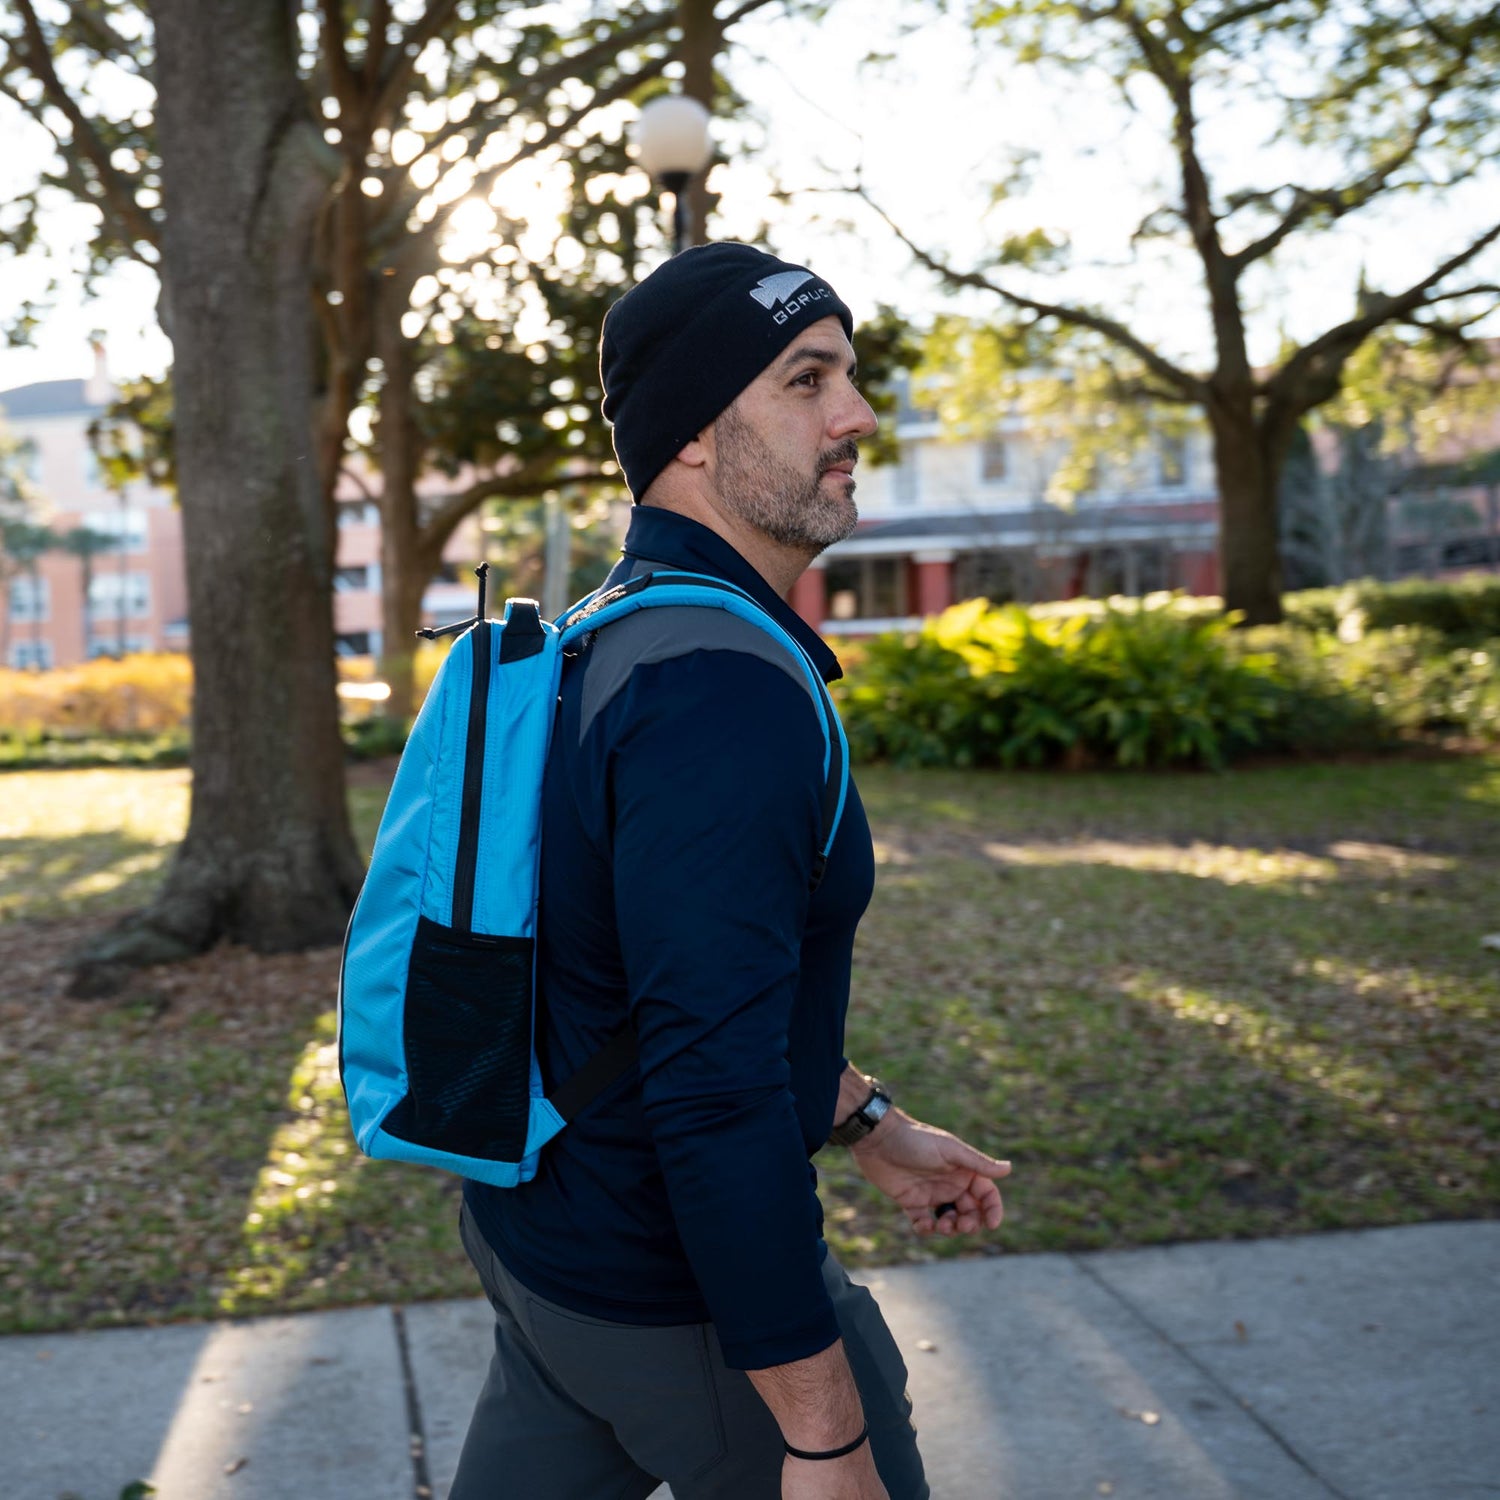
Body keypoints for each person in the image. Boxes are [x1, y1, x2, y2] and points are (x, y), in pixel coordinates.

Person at [451, 243, 1011, 1500]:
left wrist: (868, 1123)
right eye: (807, 380)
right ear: (694, 436)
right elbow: (711, 1087)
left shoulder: (610, 634)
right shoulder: (718, 687)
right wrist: (824, 1438)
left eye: (848, 376)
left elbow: (645, 983)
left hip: (546, 1252)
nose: (858, 415)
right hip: (677, 1305)